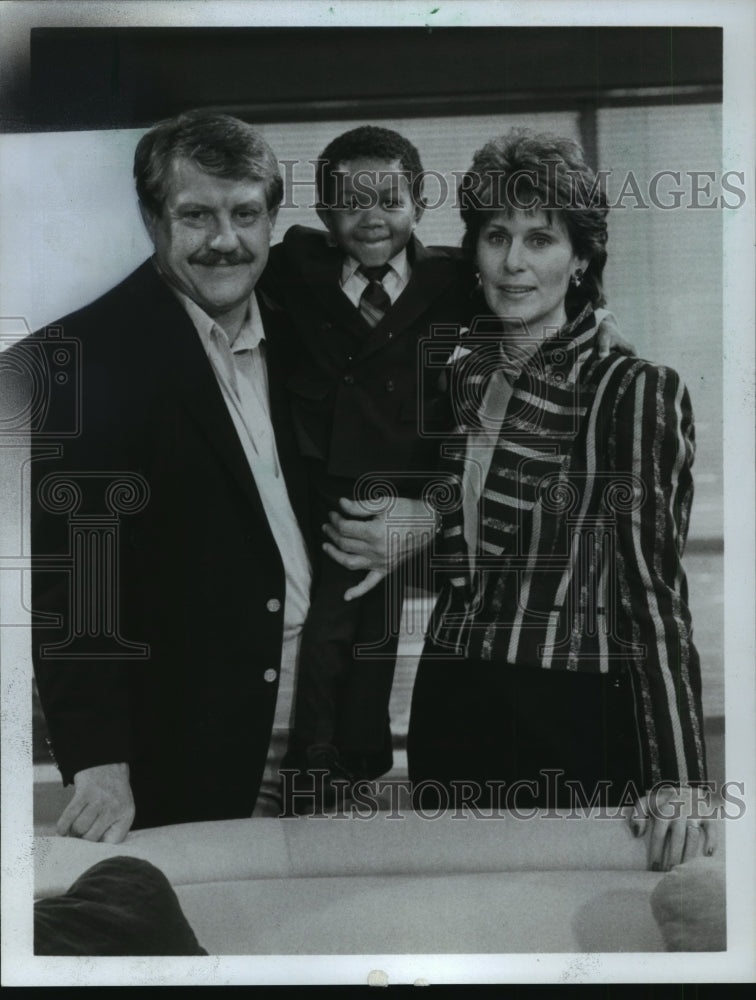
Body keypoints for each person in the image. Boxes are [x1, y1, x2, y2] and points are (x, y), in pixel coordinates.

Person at [326, 129, 715, 871]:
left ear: (581, 258)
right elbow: (477, 503)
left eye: (540, 239)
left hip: (569, 713)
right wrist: (428, 515)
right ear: (472, 250)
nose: (513, 262)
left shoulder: (630, 388)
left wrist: (680, 778)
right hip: (450, 695)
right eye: (496, 235)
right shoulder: (469, 371)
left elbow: (653, 594)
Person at [13, 110, 312, 838]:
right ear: (152, 218)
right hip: (184, 749)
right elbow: (75, 584)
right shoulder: (80, 359)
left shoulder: (308, 327)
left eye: (246, 213)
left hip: (320, 737)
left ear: (273, 218)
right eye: (196, 215)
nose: (225, 240)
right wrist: (99, 764)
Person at [260, 126, 470, 809]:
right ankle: (325, 764)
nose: (372, 216)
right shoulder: (298, 266)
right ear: (323, 215)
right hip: (335, 474)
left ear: (418, 202)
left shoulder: (455, 276)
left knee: (439, 613)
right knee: (340, 619)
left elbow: (537, 297)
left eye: (389, 198)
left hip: (419, 476)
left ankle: (403, 761)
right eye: (350, 202)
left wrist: (602, 315)